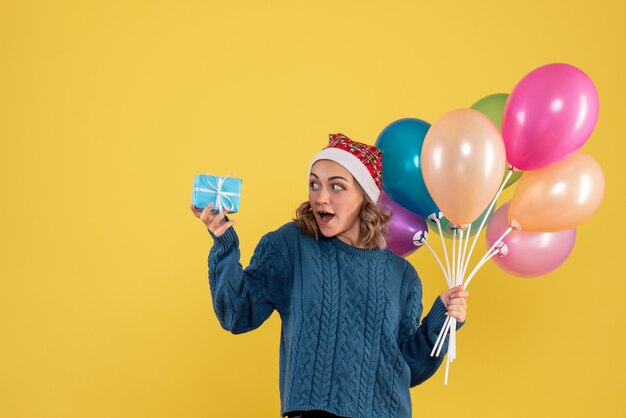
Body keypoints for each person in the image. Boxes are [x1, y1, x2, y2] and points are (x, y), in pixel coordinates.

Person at [190, 133, 469, 418]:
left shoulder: (403, 276)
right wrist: (224, 243)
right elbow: (237, 314)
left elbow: (408, 369)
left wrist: (443, 320)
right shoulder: (291, 246)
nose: (321, 197)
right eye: (314, 184)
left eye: (337, 187)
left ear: (365, 196)